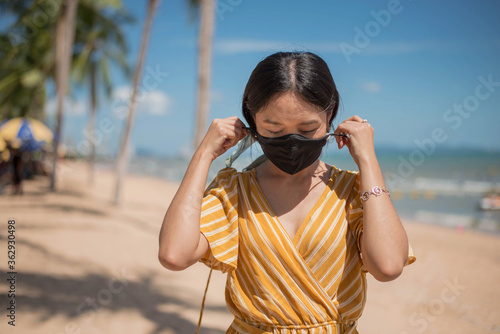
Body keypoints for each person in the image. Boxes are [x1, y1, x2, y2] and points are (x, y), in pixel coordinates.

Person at [158, 51, 416, 333]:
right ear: (252, 120)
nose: (291, 141)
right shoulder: (235, 191)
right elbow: (174, 254)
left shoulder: (353, 191)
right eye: (274, 128)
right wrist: (204, 154)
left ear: (330, 116)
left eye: (307, 129)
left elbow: (388, 266)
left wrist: (367, 160)